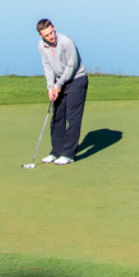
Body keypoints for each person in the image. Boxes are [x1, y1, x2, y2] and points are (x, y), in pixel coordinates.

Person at [35, 18, 88, 166]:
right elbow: (47, 67)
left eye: (51, 32)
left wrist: (58, 84)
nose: (51, 37)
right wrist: (50, 87)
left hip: (77, 80)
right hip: (60, 82)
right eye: (46, 35)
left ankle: (68, 154)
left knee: (72, 117)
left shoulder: (66, 42)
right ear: (41, 36)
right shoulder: (41, 46)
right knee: (57, 116)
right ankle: (56, 151)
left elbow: (72, 66)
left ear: (54, 27)